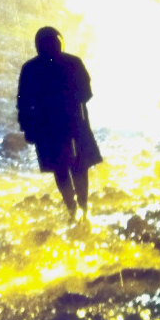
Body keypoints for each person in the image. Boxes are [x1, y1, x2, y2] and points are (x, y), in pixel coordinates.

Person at [17, 27, 102, 220]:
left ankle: (73, 208)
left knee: (60, 167)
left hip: (47, 127)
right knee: (77, 165)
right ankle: (82, 208)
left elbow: (23, 102)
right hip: (74, 123)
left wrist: (27, 126)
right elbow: (86, 93)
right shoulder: (73, 63)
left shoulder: (30, 68)